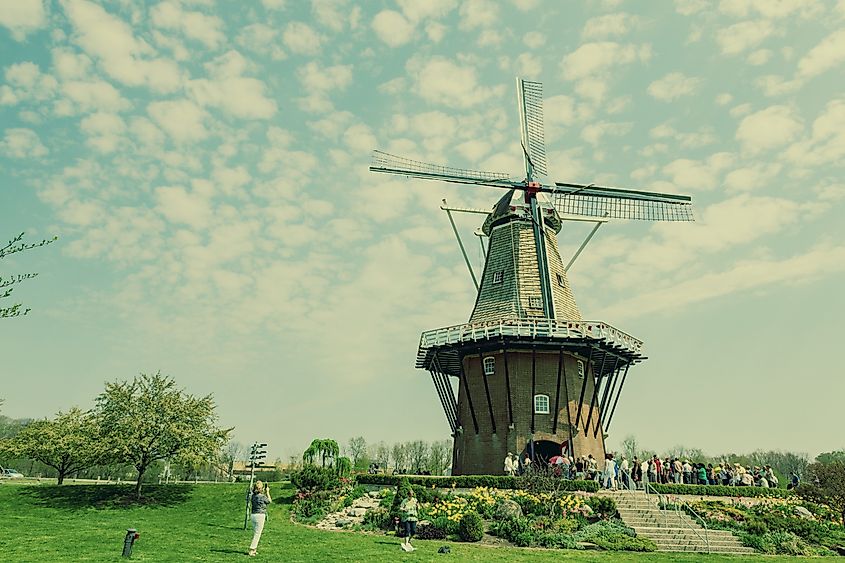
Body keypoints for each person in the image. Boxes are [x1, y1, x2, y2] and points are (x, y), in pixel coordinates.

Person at [248, 480, 272, 557]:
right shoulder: (262, 496)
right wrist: (267, 492)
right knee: (257, 534)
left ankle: (254, 550)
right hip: (260, 515)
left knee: (255, 532)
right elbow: (269, 501)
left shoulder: (253, 496)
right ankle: (252, 549)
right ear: (261, 488)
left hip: (253, 515)